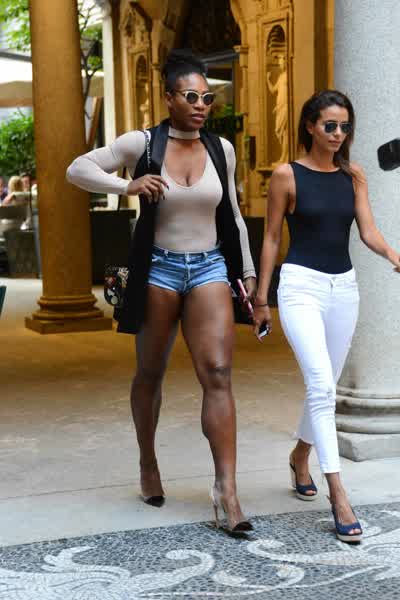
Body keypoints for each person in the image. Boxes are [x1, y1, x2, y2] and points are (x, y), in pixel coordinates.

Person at [67, 49, 257, 533]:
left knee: (218, 372)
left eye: (207, 98)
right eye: (191, 97)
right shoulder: (142, 143)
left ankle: (227, 490)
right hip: (158, 270)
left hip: (210, 266)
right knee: (150, 372)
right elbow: (77, 169)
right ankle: (148, 461)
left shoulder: (221, 148)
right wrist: (126, 187)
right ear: (169, 97)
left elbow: (234, 214)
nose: (201, 105)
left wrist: (249, 275)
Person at [254, 90, 400, 543]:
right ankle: (338, 492)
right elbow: (271, 238)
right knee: (320, 386)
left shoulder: (353, 176)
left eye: (345, 126)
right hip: (301, 287)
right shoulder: (287, 175)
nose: (338, 134)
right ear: (310, 126)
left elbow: (368, 230)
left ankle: (301, 455)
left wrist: (394, 254)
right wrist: (261, 297)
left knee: (326, 385)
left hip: (344, 290)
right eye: (330, 125)